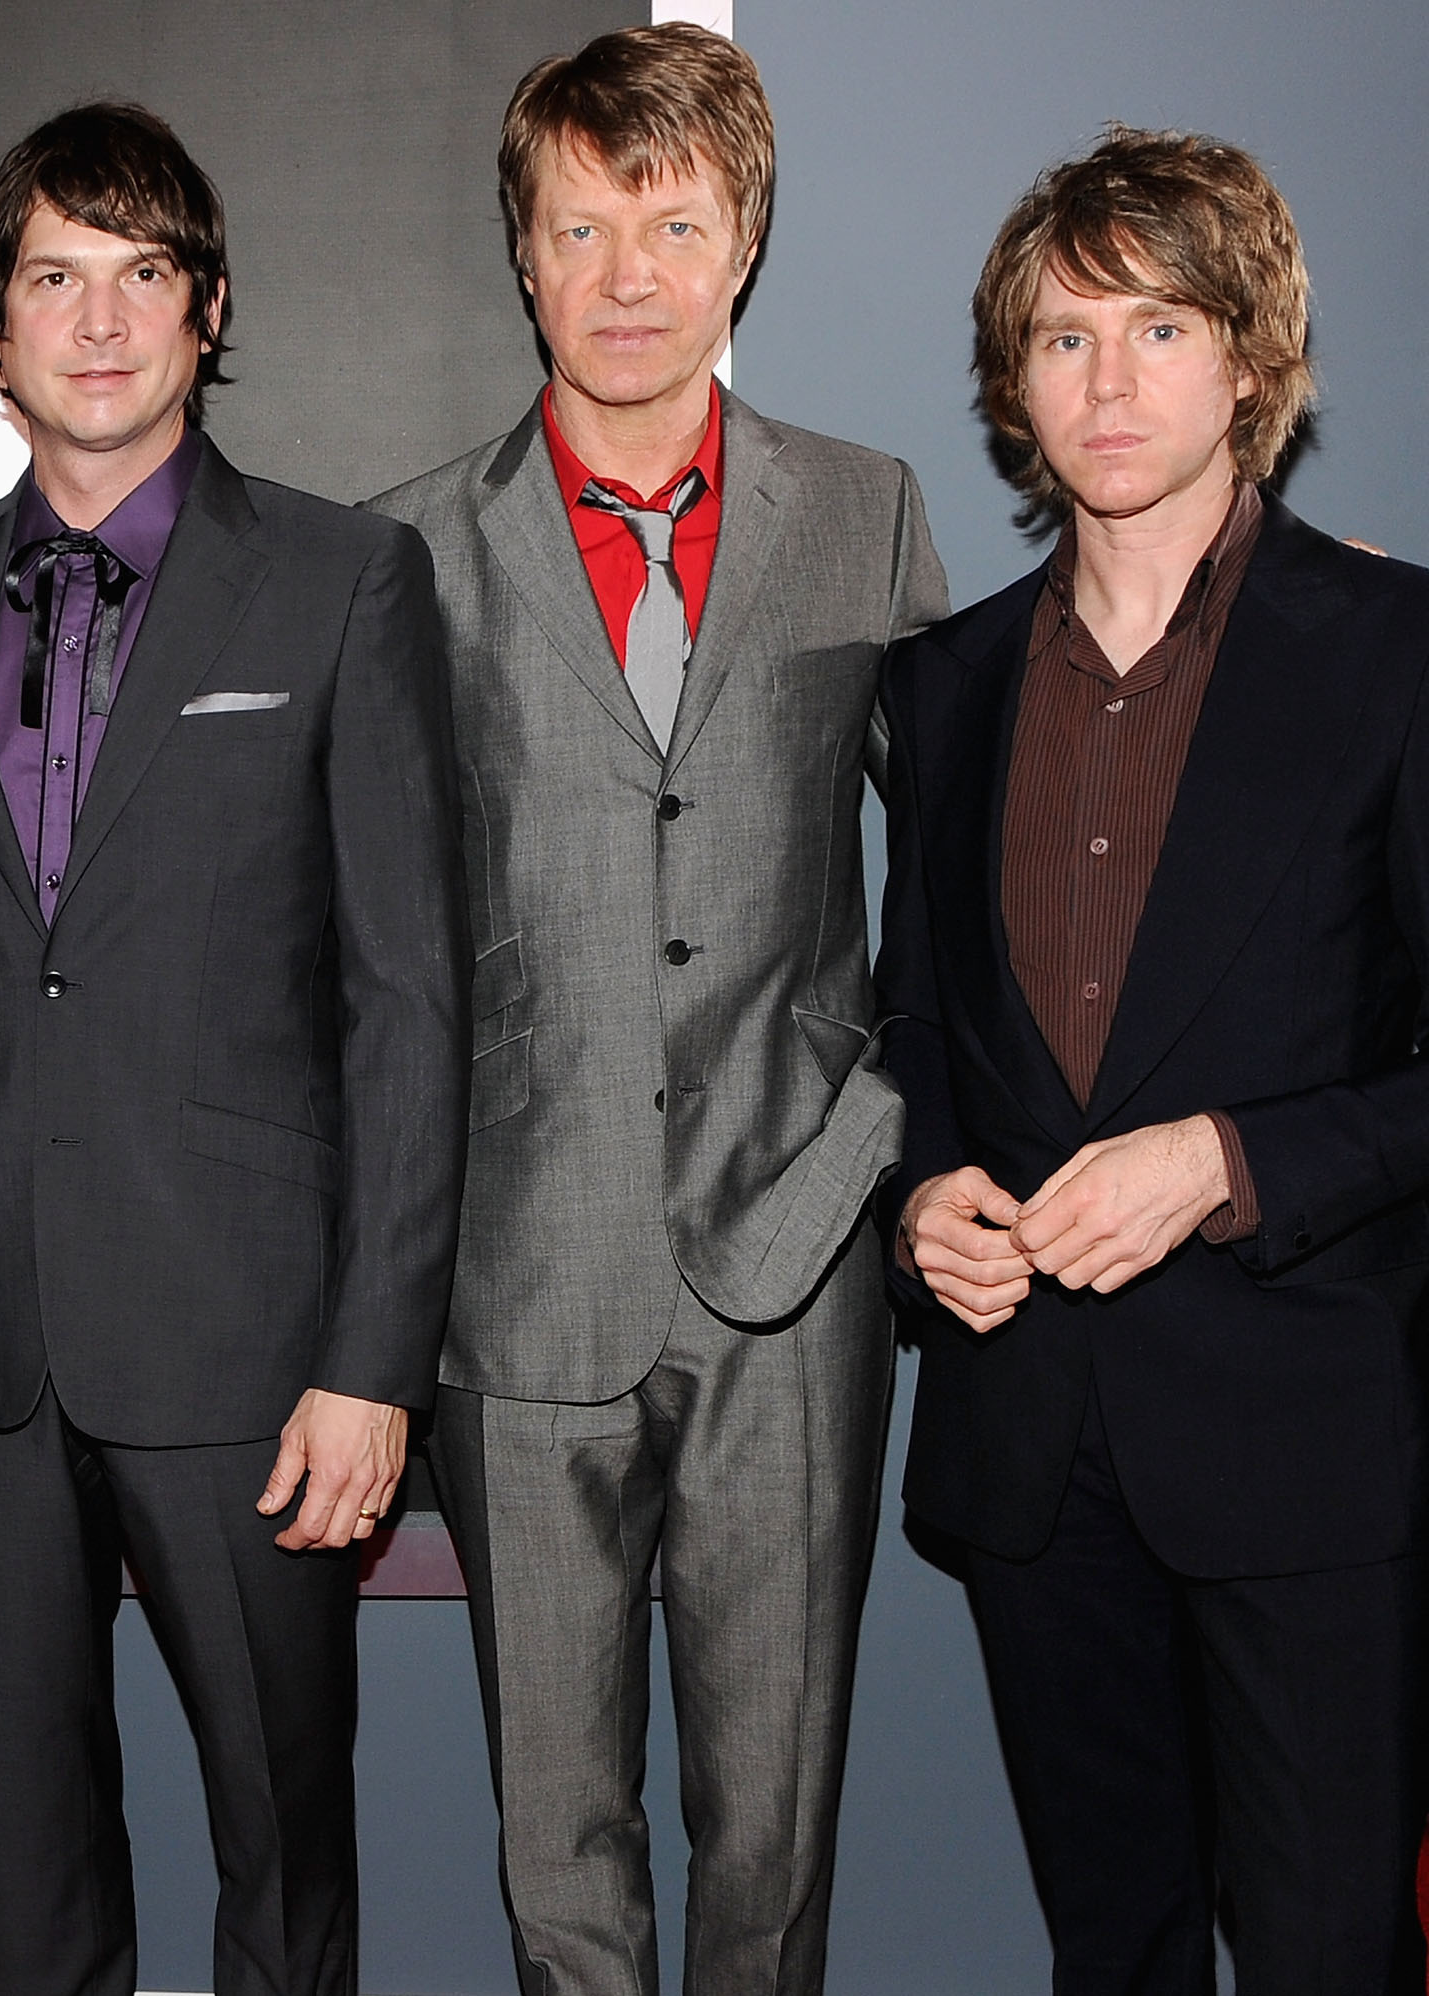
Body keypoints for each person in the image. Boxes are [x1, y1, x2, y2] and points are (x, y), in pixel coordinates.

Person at [0, 103, 466, 1996]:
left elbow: (409, 999)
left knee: (284, 1853)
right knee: (26, 1861)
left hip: (247, 1350)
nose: (101, 321)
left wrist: (374, 1362)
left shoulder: (346, 580)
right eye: (55, 277)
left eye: (145, 274)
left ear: (211, 310)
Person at [364, 26, 947, 1992]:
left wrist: (878, 1137)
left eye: (675, 226)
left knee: (771, 1835)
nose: (629, 277)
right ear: (523, 253)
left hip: (800, 1259)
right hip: (516, 1275)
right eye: (582, 228)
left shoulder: (863, 512)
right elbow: (351, 931)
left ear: (745, 243)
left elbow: (978, 865)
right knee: (559, 1844)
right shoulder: (405, 550)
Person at [879, 126, 1429, 1990]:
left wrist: (1226, 1164)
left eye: (1161, 329)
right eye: (1064, 337)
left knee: (1328, 1954)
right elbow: (918, 1023)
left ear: (1251, 364)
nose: (1107, 383)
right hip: (1036, 1445)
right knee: (1112, 1954)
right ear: (1015, 385)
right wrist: (923, 1203)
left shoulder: (1396, 650)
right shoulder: (943, 684)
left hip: (1309, 1439)